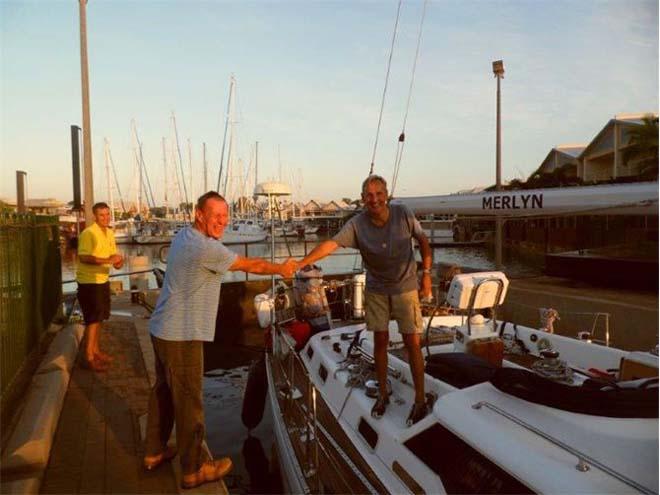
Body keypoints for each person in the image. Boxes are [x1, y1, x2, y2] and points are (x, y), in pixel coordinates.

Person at [143, 191, 297, 489]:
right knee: (189, 401)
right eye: (216, 216)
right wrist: (281, 268)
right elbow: (250, 266)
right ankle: (194, 468)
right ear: (199, 214)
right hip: (182, 334)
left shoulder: (184, 237)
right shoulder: (204, 249)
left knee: (163, 391)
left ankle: (154, 451)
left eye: (226, 216)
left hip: (162, 328)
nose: (222, 222)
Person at [299, 175, 433, 426]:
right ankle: (383, 394)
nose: (375, 199)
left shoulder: (403, 213)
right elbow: (331, 244)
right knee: (380, 340)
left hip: (405, 286)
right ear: (363, 199)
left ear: (387, 195)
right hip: (377, 288)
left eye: (379, 194)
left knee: (412, 342)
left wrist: (426, 274)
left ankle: (420, 399)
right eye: (369, 195)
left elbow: (423, 241)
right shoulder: (357, 224)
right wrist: (301, 263)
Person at [76, 202, 124, 372]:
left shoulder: (109, 232)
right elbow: (84, 257)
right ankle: (88, 357)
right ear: (95, 216)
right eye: (101, 215)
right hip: (89, 282)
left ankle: (96, 351)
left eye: (107, 214)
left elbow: (112, 256)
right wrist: (108, 261)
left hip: (102, 280)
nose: (105, 218)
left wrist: (118, 262)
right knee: (92, 319)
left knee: (100, 317)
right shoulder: (88, 233)